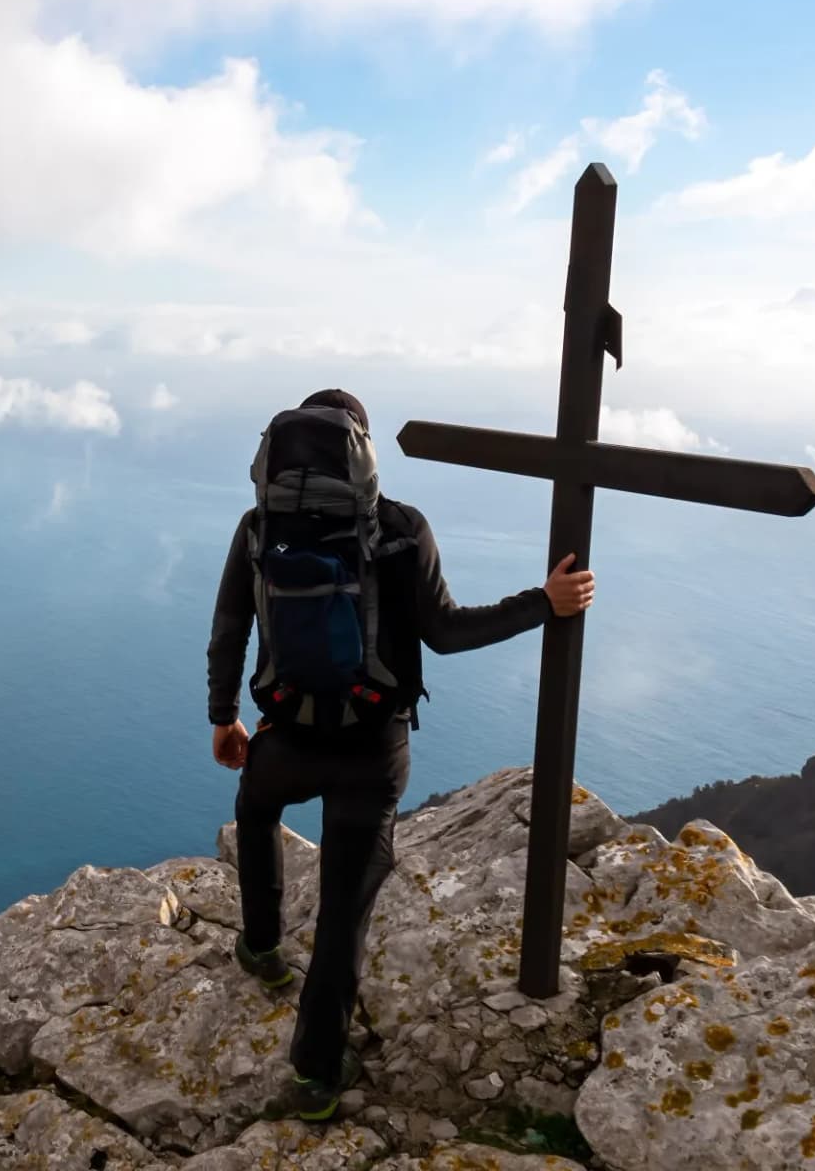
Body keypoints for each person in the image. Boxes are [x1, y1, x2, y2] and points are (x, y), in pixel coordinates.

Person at [205, 388, 595, 1120]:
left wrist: (224, 718)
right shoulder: (399, 528)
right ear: (362, 451)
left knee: (256, 808)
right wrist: (544, 602)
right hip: (372, 751)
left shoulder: (258, 528)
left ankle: (259, 948)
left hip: (286, 735)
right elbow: (446, 632)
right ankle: (316, 1077)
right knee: (343, 913)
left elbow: (229, 626)